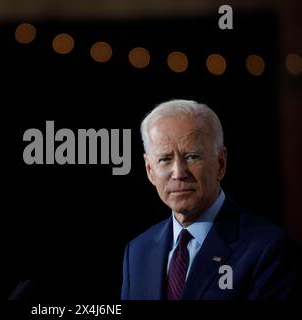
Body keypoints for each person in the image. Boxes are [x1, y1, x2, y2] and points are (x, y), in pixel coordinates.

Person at [121, 99, 302, 300]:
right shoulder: (137, 252)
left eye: (192, 156)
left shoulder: (269, 250)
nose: (179, 173)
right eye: (165, 159)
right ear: (150, 171)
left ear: (220, 163)